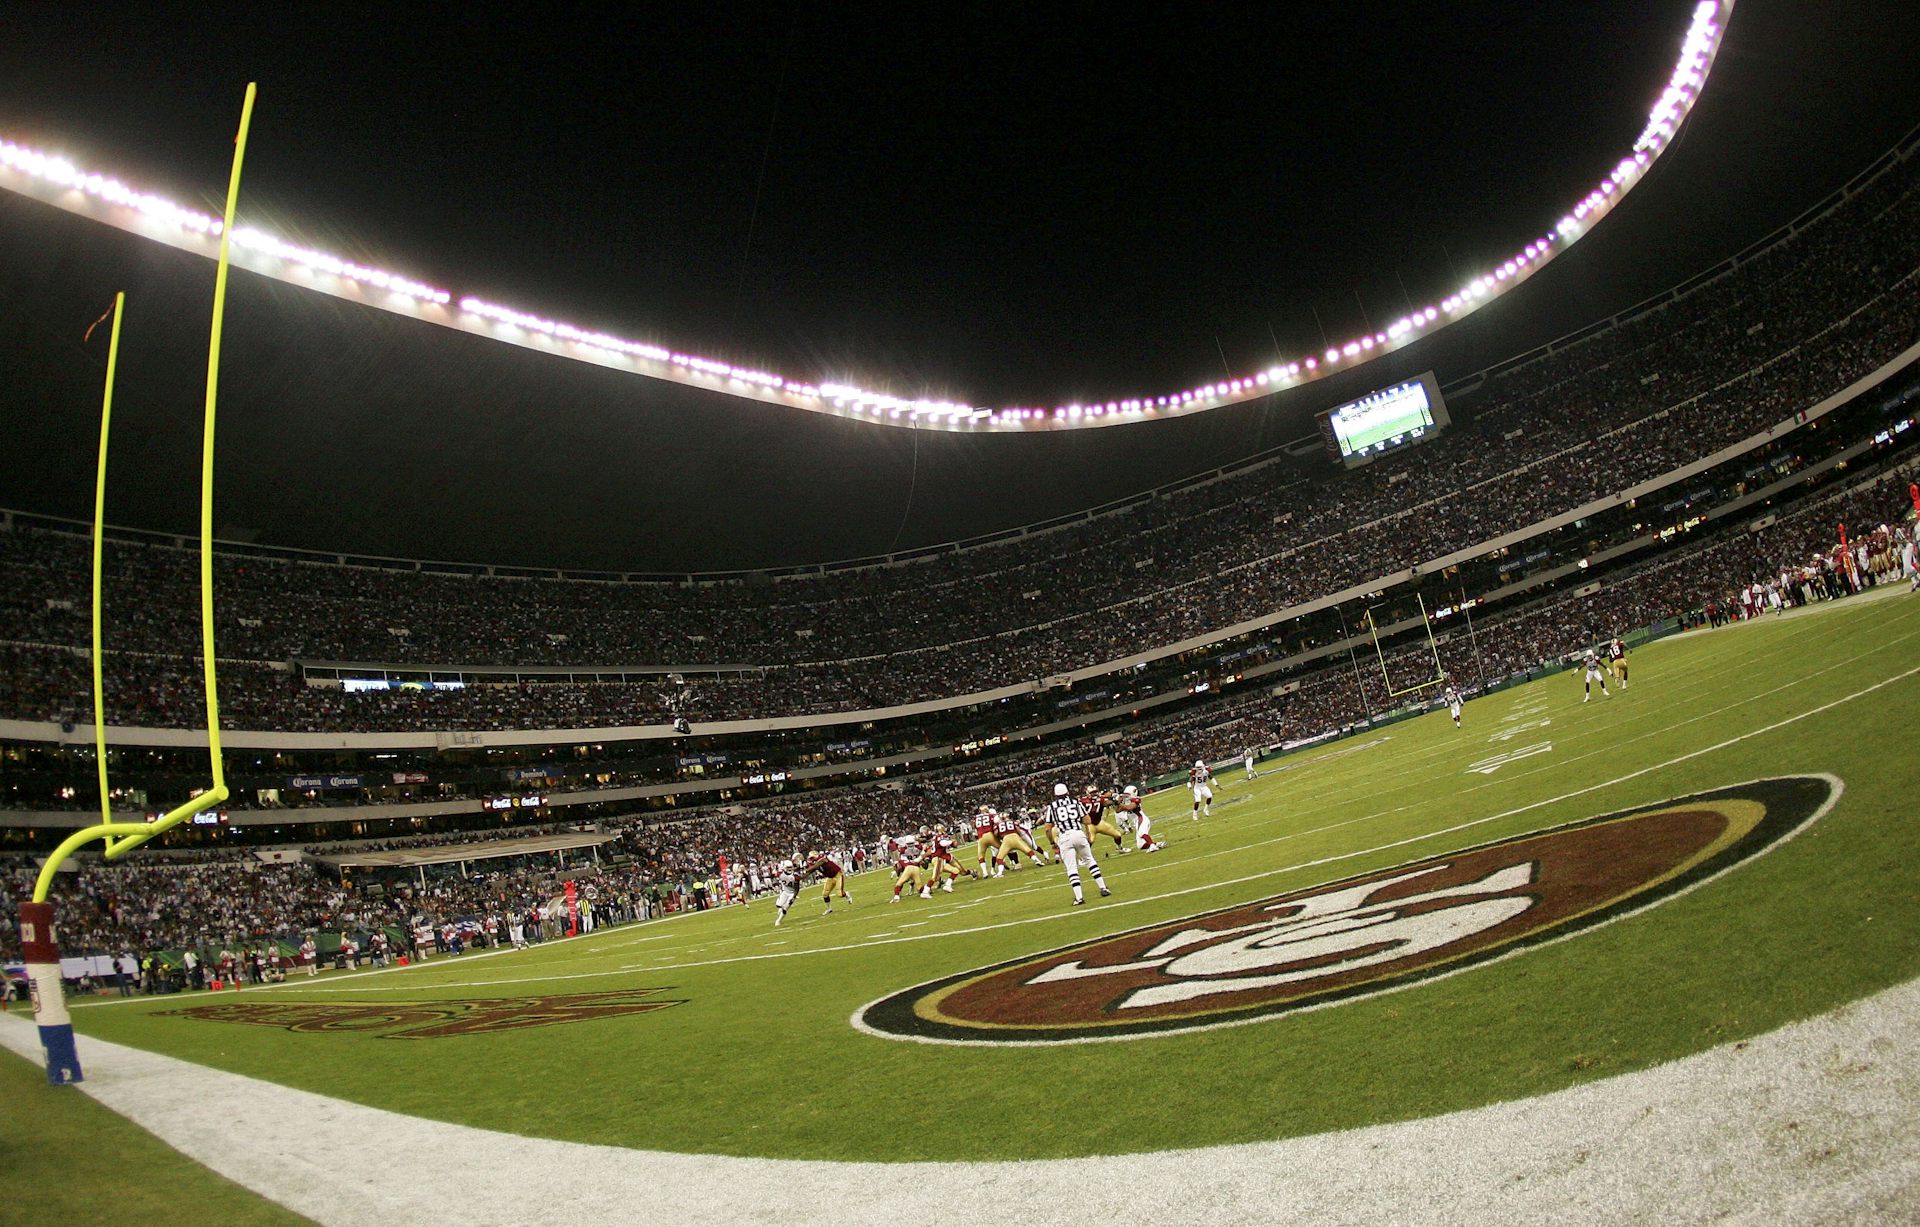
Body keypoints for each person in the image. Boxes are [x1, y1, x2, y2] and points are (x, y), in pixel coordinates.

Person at [1044, 782, 1111, 907]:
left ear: (1055, 795)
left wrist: (1052, 842)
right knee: (1089, 860)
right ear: (1067, 793)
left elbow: (1048, 828)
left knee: (1071, 868)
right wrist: (1087, 832)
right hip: (1078, 833)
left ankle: (1079, 898)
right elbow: (1087, 820)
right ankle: (1103, 888)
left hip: (1064, 837)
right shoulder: (1075, 802)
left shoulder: (1052, 807)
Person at [802, 849, 852, 914]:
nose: (811, 860)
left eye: (812, 858)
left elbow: (815, 866)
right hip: (830, 877)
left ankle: (847, 894)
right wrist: (801, 877)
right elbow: (811, 871)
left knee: (840, 894)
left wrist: (806, 870)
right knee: (825, 894)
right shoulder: (815, 863)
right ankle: (829, 909)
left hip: (838, 875)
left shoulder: (821, 858)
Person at [1116, 784, 1159, 852]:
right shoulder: (1125, 801)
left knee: (1141, 833)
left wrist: (1120, 803)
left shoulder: (1136, 799)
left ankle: (1153, 846)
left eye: (1127, 794)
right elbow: (1117, 810)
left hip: (1141, 819)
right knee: (1140, 845)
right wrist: (1116, 802)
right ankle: (1156, 844)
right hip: (1136, 822)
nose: (1126, 795)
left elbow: (1129, 807)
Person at [773, 861, 802, 926]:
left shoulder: (795, 876)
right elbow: (775, 876)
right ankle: (781, 912)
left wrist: (794, 897)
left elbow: (797, 888)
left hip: (792, 893)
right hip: (785, 892)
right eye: (788, 867)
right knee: (778, 905)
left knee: (785, 908)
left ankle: (778, 921)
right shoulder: (780, 874)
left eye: (790, 867)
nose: (789, 869)